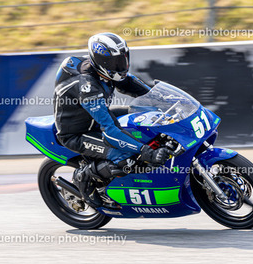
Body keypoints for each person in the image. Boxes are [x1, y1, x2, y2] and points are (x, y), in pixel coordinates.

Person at [53, 32, 171, 208]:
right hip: (77, 134)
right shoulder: (88, 87)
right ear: (101, 62)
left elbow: (133, 86)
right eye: (115, 62)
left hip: (95, 119)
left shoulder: (106, 71)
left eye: (123, 59)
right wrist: (144, 150)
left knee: (146, 117)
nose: (121, 65)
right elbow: (110, 131)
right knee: (126, 157)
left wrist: (163, 100)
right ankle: (83, 177)